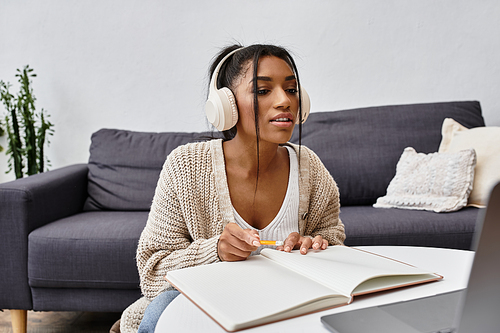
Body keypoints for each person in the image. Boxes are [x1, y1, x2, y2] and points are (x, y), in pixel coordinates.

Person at [118, 44, 345, 333]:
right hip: (210, 304)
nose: (284, 101)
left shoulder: (309, 166)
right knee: (162, 312)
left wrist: (315, 246)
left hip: (288, 303)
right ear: (225, 104)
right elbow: (153, 270)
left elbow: (333, 242)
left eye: (291, 89)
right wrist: (216, 251)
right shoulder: (185, 166)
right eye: (263, 91)